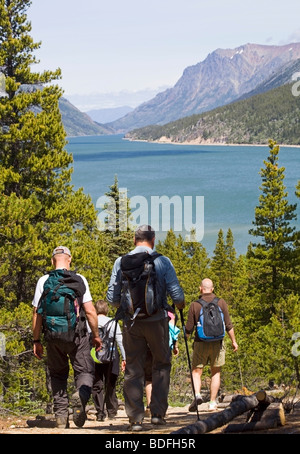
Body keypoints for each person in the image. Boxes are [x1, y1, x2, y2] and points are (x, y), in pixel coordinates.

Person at [106, 225, 185, 431]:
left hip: (131, 323)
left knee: (133, 369)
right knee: (161, 364)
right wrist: (180, 306)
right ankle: (157, 414)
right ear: (153, 240)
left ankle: (135, 419)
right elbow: (177, 296)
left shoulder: (120, 262)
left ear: (134, 240)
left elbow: (112, 300)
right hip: (157, 320)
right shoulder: (162, 261)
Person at [32, 246, 101, 429]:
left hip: (53, 336)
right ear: (69, 259)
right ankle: (81, 395)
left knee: (57, 375)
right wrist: (96, 336)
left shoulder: (43, 281)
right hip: (78, 336)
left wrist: (36, 340)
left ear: (52, 260)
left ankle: (61, 417)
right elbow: (91, 311)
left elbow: (37, 314)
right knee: (85, 371)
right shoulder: (78, 279)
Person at [185, 278, 238, 412]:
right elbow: (228, 325)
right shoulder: (221, 302)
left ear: (200, 289)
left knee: (196, 372)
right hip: (217, 342)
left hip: (200, 342)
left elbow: (189, 328)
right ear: (212, 289)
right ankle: (212, 403)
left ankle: (197, 395)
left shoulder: (195, 305)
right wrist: (234, 341)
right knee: (216, 372)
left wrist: (182, 341)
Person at [89, 299, 126, 421]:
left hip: (95, 355)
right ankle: (111, 411)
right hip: (111, 356)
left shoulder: (91, 322)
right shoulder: (113, 323)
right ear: (106, 309)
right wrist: (125, 358)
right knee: (110, 384)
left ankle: (100, 412)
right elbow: (120, 341)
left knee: (97, 384)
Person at [144, 310, 180, 416]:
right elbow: (173, 331)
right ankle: (159, 408)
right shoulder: (169, 314)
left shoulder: (147, 311)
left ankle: (149, 406)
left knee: (149, 378)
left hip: (148, 347)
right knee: (162, 376)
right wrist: (175, 346)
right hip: (163, 347)